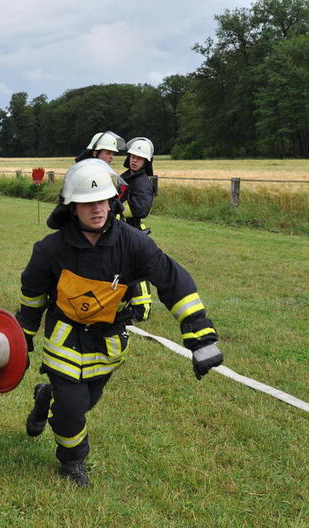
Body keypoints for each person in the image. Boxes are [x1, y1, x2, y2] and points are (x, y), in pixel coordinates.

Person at [16, 158, 223, 486]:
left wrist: (200, 336)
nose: (97, 208)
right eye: (87, 202)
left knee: (85, 402)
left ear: (112, 202)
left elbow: (172, 281)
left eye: (102, 200)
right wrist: (22, 337)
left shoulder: (134, 243)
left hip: (107, 342)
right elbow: (32, 296)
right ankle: (72, 460)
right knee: (71, 409)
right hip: (65, 337)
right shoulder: (50, 250)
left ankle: (45, 397)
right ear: (72, 207)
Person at [118, 137, 156, 320]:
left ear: (146, 162)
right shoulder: (125, 177)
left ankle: (142, 310)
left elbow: (141, 209)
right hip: (121, 228)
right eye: (133, 156)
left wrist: (116, 208)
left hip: (132, 229)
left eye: (139, 158)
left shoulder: (142, 182)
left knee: (137, 269)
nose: (134, 160)